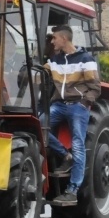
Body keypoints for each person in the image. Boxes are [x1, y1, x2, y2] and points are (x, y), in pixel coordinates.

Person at [44, 25, 101, 204]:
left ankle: (73, 189)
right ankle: (65, 155)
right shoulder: (54, 60)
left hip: (78, 105)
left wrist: (85, 103)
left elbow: (95, 87)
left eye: (54, 38)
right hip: (59, 105)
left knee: (78, 143)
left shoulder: (86, 59)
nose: (52, 41)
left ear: (64, 39)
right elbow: (39, 72)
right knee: (39, 125)